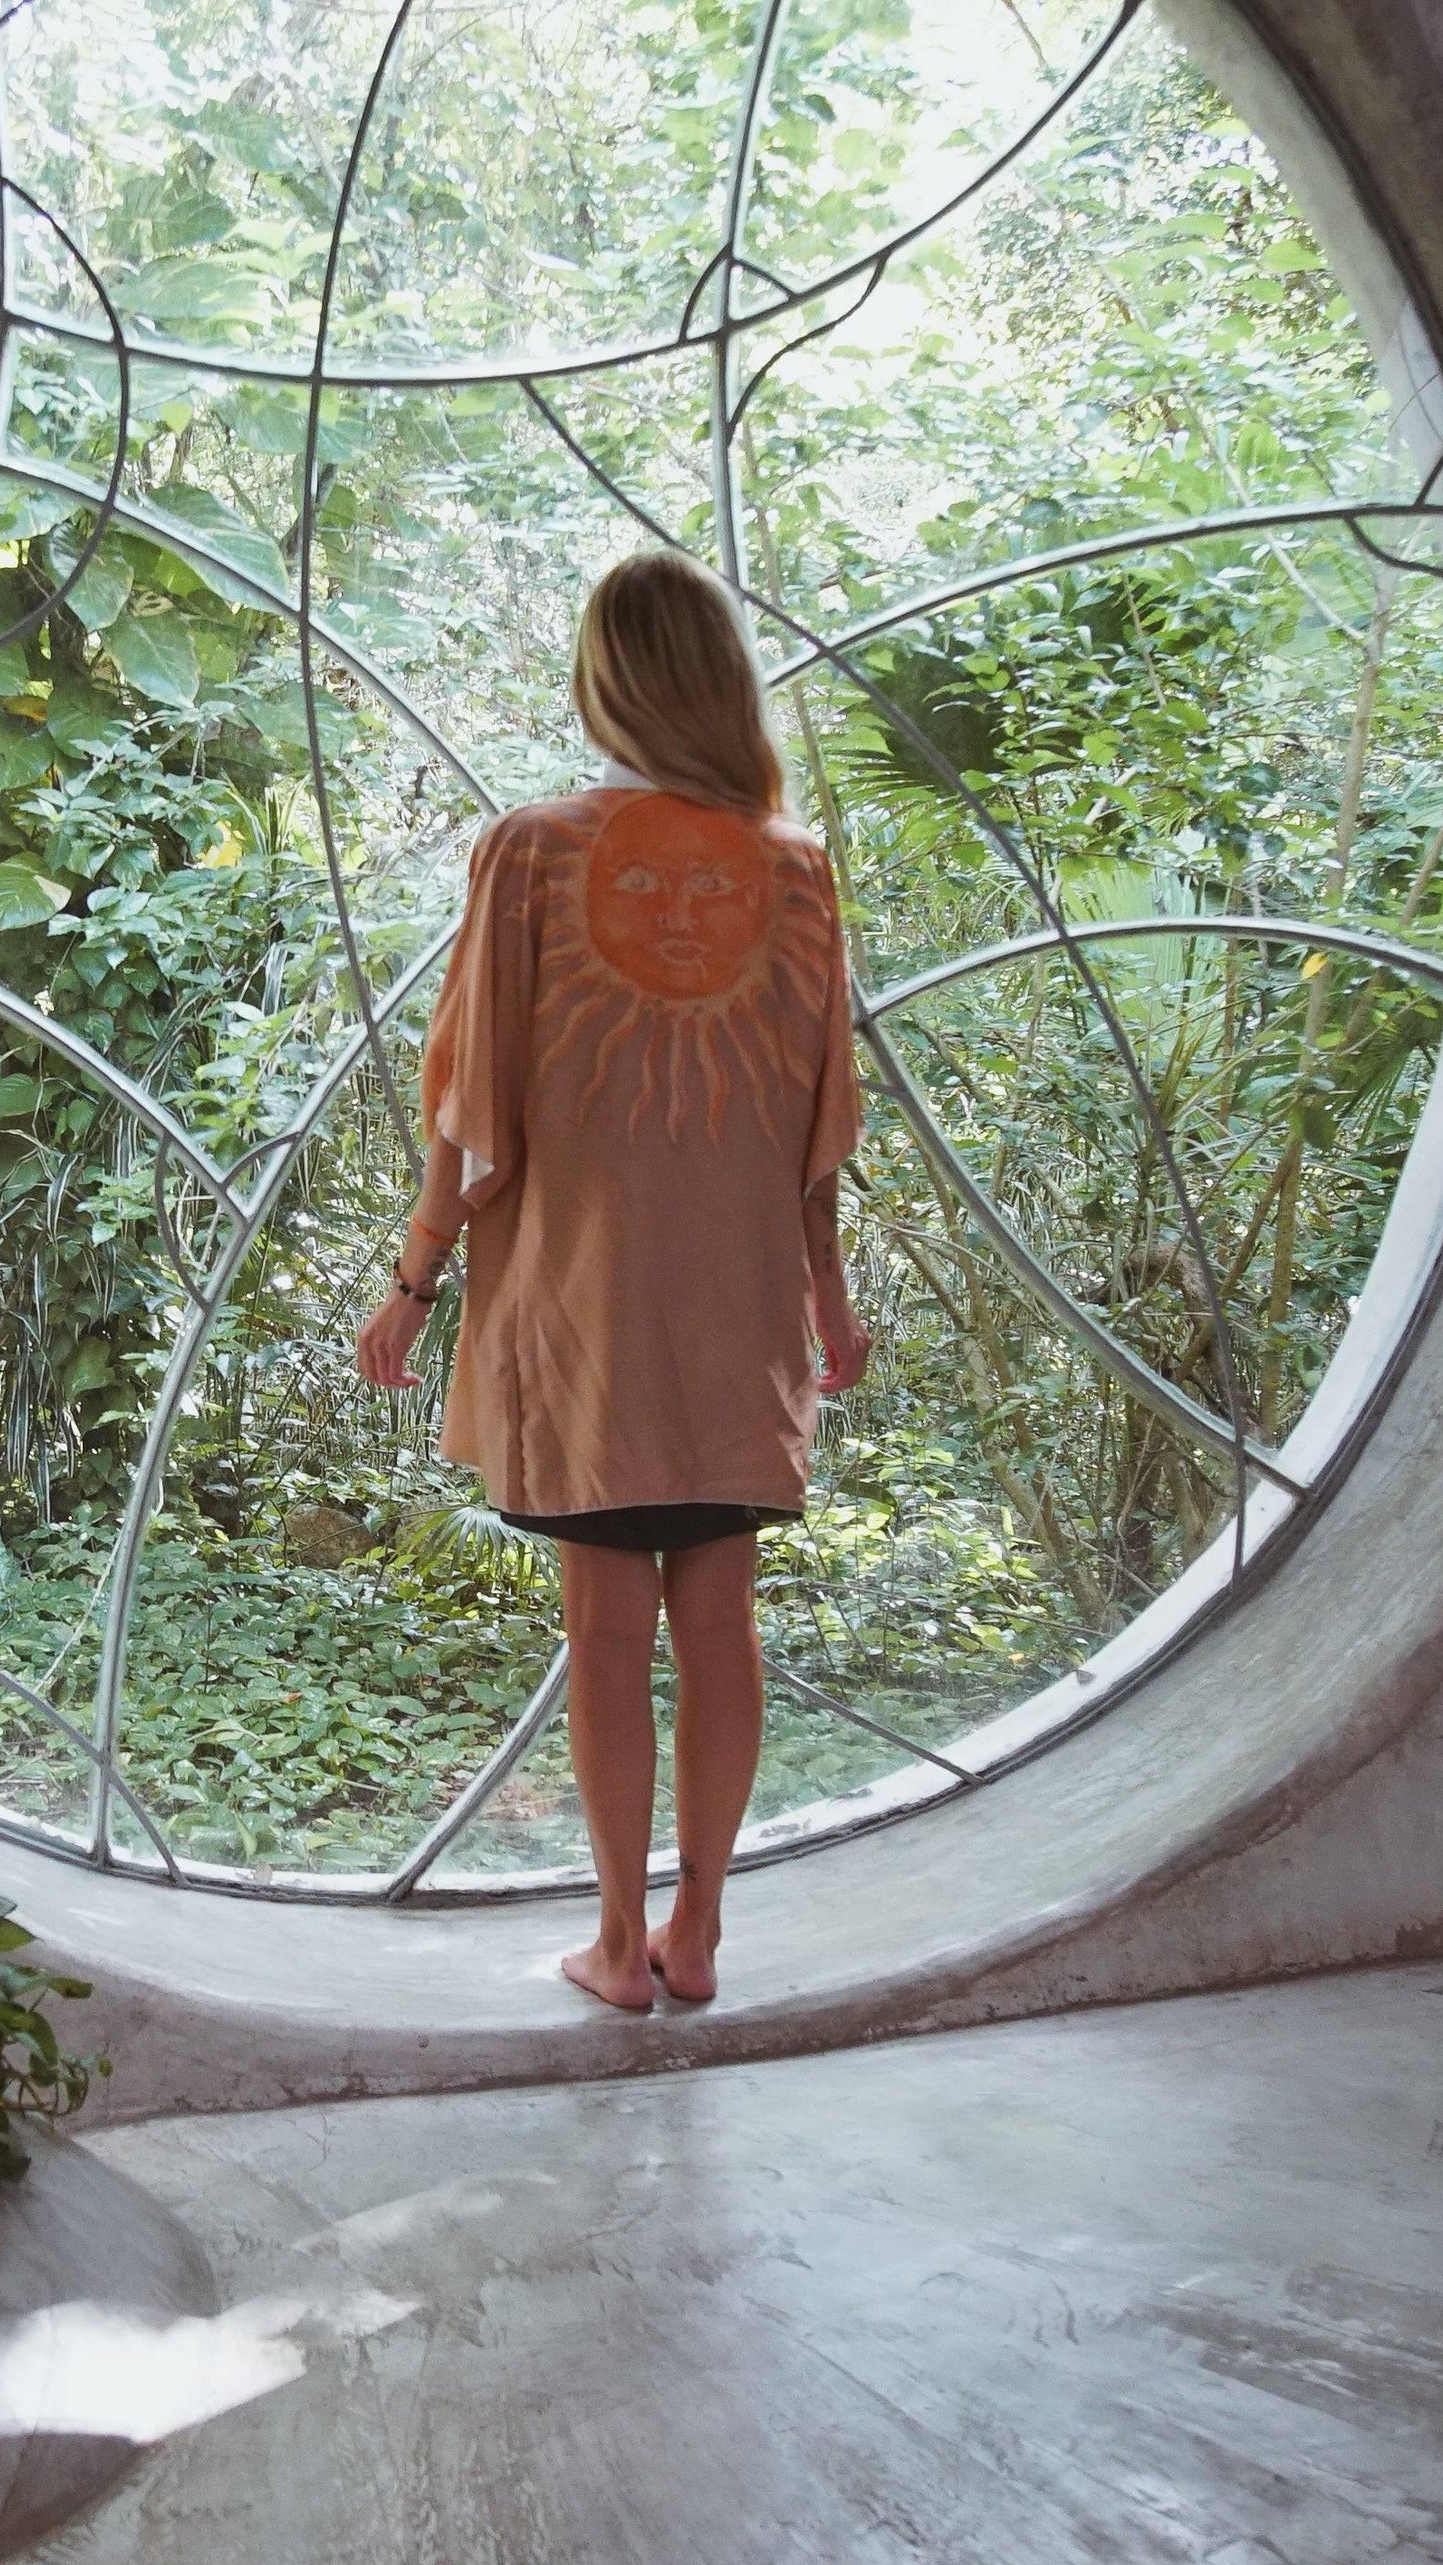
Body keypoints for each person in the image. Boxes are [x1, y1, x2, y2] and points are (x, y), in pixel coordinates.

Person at [357, 548, 870, 2012]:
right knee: (721, 1613)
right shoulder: (795, 866)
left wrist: (414, 1279)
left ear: (609, 680)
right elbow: (813, 1130)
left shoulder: (530, 849)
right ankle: (697, 1934)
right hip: (740, 1304)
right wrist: (828, 1297)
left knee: (604, 1619)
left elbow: (471, 1105)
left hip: (577, 1311)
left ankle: (613, 1940)